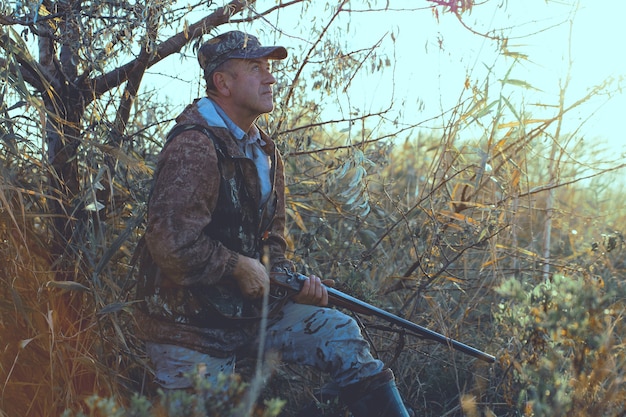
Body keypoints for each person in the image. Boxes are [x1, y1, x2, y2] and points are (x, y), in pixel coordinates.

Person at [135, 30, 411, 417]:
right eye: (255, 68)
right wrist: (236, 265)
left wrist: (289, 284)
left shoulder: (263, 149)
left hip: (248, 315)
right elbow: (170, 244)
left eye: (269, 68)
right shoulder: (194, 145)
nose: (270, 78)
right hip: (188, 328)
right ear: (223, 83)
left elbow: (271, 245)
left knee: (340, 335)